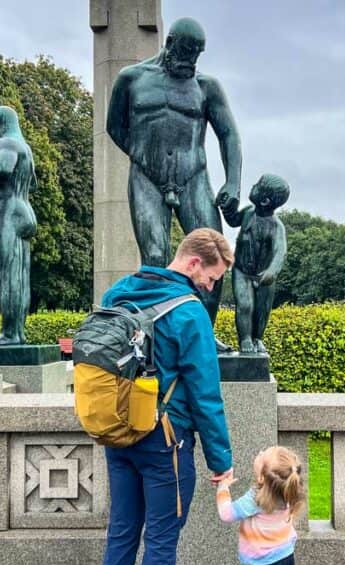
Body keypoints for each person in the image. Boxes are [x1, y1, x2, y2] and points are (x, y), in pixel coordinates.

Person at [96, 228, 236, 565]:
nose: (210, 288)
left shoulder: (118, 292)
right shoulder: (189, 311)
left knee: (121, 539)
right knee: (160, 545)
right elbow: (206, 395)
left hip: (118, 433)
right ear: (194, 263)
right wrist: (221, 461)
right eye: (212, 279)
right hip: (166, 442)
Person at [106, 17, 242, 349]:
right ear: (169, 44)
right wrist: (143, 155)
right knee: (154, 256)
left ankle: (204, 335)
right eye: (184, 54)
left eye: (197, 56)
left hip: (193, 177)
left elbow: (229, 135)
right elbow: (115, 127)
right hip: (147, 178)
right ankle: (157, 336)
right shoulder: (132, 79)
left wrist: (233, 183)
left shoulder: (206, 86)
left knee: (215, 259)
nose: (190, 63)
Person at [222, 174, 290, 353]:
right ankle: (245, 339)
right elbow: (233, 220)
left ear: (265, 200)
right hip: (242, 271)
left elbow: (280, 252)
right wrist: (227, 208)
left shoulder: (277, 227)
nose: (254, 185)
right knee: (245, 305)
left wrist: (272, 272)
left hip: (264, 276)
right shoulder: (248, 213)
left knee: (262, 310)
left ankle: (257, 338)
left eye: (258, 185)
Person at [0, 105, 37, 346]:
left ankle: (9, 334)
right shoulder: (25, 147)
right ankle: (19, 332)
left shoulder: (6, 143)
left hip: (6, 210)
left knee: (7, 275)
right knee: (21, 276)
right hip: (25, 209)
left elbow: (2, 168)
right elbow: (34, 183)